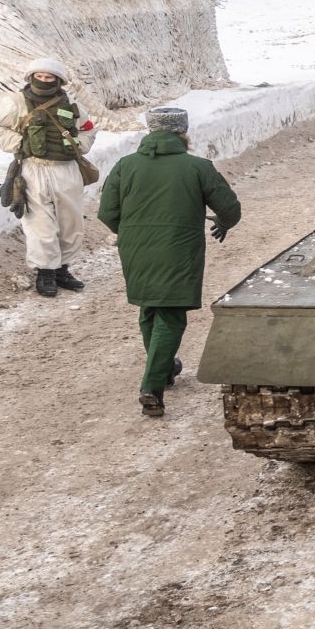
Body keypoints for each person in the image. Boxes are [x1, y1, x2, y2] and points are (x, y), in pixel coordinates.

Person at [97, 107, 242, 417]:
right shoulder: (197, 167)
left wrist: (134, 233)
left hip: (135, 248)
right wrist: (224, 222)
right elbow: (229, 206)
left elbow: (107, 213)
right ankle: (152, 386)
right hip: (179, 248)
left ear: (151, 132)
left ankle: (163, 369)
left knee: (151, 308)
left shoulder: (125, 165)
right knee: (171, 314)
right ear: (182, 132)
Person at [0, 58, 96, 297]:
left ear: (59, 80)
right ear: (31, 77)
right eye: (40, 76)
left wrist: (79, 145)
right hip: (33, 169)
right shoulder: (16, 102)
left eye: (50, 77)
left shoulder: (71, 103)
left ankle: (62, 270)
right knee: (39, 224)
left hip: (66, 170)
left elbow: (88, 128)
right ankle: (45, 272)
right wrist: (20, 143)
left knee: (71, 223)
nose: (44, 81)